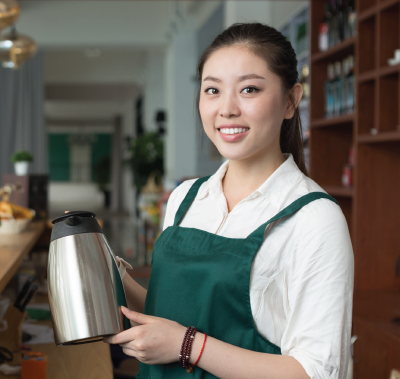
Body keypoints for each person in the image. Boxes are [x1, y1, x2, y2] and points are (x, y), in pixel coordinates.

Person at [106, 23, 354, 379]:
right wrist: (115, 277)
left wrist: (188, 345)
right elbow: (174, 315)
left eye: (249, 89)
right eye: (212, 90)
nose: (227, 109)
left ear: (290, 100)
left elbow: (317, 372)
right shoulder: (184, 199)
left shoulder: (314, 219)